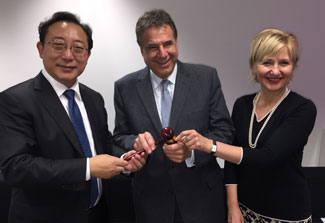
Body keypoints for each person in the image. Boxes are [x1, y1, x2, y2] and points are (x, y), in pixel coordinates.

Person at [0, 11, 145, 223]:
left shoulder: (93, 98)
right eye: (58, 45)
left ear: (87, 55)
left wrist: (125, 160)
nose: (68, 56)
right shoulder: (14, 100)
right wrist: (88, 168)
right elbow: (16, 168)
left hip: (98, 214)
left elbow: (103, 145)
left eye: (78, 48)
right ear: (41, 49)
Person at [176, 28, 316, 223]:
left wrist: (210, 145)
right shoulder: (242, 105)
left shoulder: (303, 109)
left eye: (284, 63)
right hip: (244, 210)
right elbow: (232, 163)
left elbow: (268, 157)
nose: (275, 71)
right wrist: (232, 207)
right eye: (267, 62)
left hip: (287, 215)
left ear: (293, 67)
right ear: (254, 65)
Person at [113, 9, 235, 223]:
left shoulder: (206, 78)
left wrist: (192, 153)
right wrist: (134, 144)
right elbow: (119, 137)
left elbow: (225, 131)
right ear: (141, 51)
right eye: (153, 47)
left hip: (203, 201)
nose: (162, 53)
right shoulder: (125, 87)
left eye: (168, 44)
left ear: (176, 42)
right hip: (151, 204)